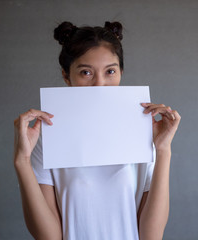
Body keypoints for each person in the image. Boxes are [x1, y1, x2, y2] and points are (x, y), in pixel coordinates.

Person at [13, 21, 181, 240]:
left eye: (110, 71)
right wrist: (22, 160)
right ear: (66, 76)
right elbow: (48, 237)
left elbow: (152, 235)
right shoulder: (46, 135)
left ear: (121, 71)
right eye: (86, 72)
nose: (100, 84)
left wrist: (163, 150)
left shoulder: (144, 131)